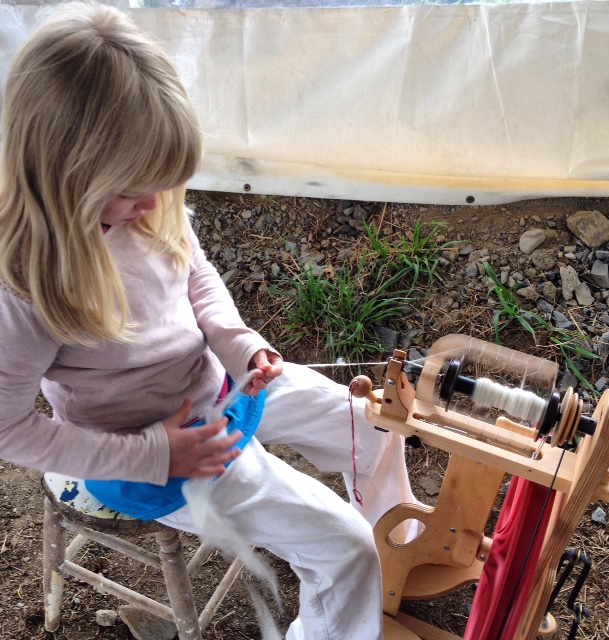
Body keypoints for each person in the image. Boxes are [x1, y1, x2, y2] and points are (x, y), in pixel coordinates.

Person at [0, 4, 416, 638]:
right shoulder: (28, 282)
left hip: (220, 385)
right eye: (135, 188)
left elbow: (194, 277)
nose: (155, 203)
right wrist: (153, 453)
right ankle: (347, 610)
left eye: (165, 184)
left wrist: (238, 344)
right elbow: (8, 432)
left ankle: (402, 556)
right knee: (344, 549)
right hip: (161, 455)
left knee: (371, 424)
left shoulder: (146, 206)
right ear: (67, 174)